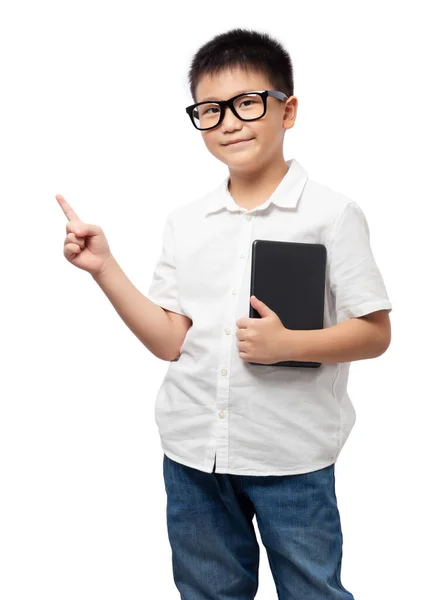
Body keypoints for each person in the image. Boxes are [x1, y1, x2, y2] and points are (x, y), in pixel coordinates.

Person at [57, 27, 392, 600]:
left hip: (291, 456)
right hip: (191, 453)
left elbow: (375, 333)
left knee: (313, 589)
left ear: (287, 111)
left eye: (246, 103)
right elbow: (169, 341)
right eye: (210, 110)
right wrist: (105, 267)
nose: (229, 122)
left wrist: (291, 345)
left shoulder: (333, 215)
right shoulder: (186, 221)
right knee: (208, 592)